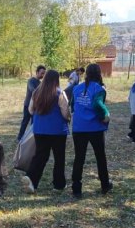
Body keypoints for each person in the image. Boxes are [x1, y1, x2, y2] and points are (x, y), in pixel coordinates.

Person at [21, 70, 70, 193]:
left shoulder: (36, 92)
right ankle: (59, 184)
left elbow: (31, 110)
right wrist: (69, 118)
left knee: (40, 156)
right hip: (57, 131)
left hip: (40, 130)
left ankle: (32, 179)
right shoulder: (60, 93)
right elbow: (65, 111)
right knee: (59, 158)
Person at [71, 63, 111, 198]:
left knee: (79, 158)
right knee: (100, 157)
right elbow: (97, 104)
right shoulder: (99, 89)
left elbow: (72, 106)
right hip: (95, 128)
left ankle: (76, 188)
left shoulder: (77, 88)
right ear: (99, 73)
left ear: (87, 73)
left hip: (78, 128)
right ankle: (105, 185)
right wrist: (106, 115)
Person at [17, 65, 46, 141]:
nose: (43, 75)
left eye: (44, 74)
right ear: (37, 72)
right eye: (41, 73)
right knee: (25, 122)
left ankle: (31, 138)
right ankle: (20, 137)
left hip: (36, 106)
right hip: (28, 105)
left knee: (34, 123)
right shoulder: (31, 81)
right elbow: (33, 91)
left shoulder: (40, 83)